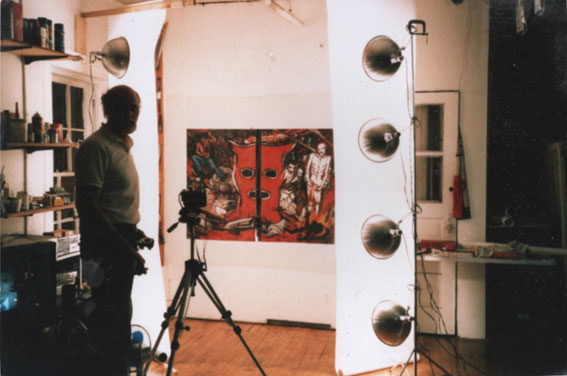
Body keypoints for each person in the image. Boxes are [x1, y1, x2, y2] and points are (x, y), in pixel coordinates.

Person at [75, 85, 148, 376]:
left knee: (119, 316)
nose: (134, 114)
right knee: (109, 321)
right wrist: (124, 247)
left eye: (137, 108)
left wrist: (134, 237)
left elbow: (116, 203)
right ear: (111, 111)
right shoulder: (97, 147)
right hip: (106, 246)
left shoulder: (121, 146)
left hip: (120, 238)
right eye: (128, 108)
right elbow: (89, 208)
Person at [305, 142, 332, 214]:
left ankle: (315, 217)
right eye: (319, 149)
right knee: (310, 201)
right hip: (312, 180)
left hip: (319, 182)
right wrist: (308, 180)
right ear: (317, 149)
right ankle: (308, 219)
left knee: (317, 202)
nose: (321, 150)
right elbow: (307, 168)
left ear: (325, 149)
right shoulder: (312, 156)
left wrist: (322, 185)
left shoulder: (328, 158)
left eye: (323, 148)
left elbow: (326, 173)